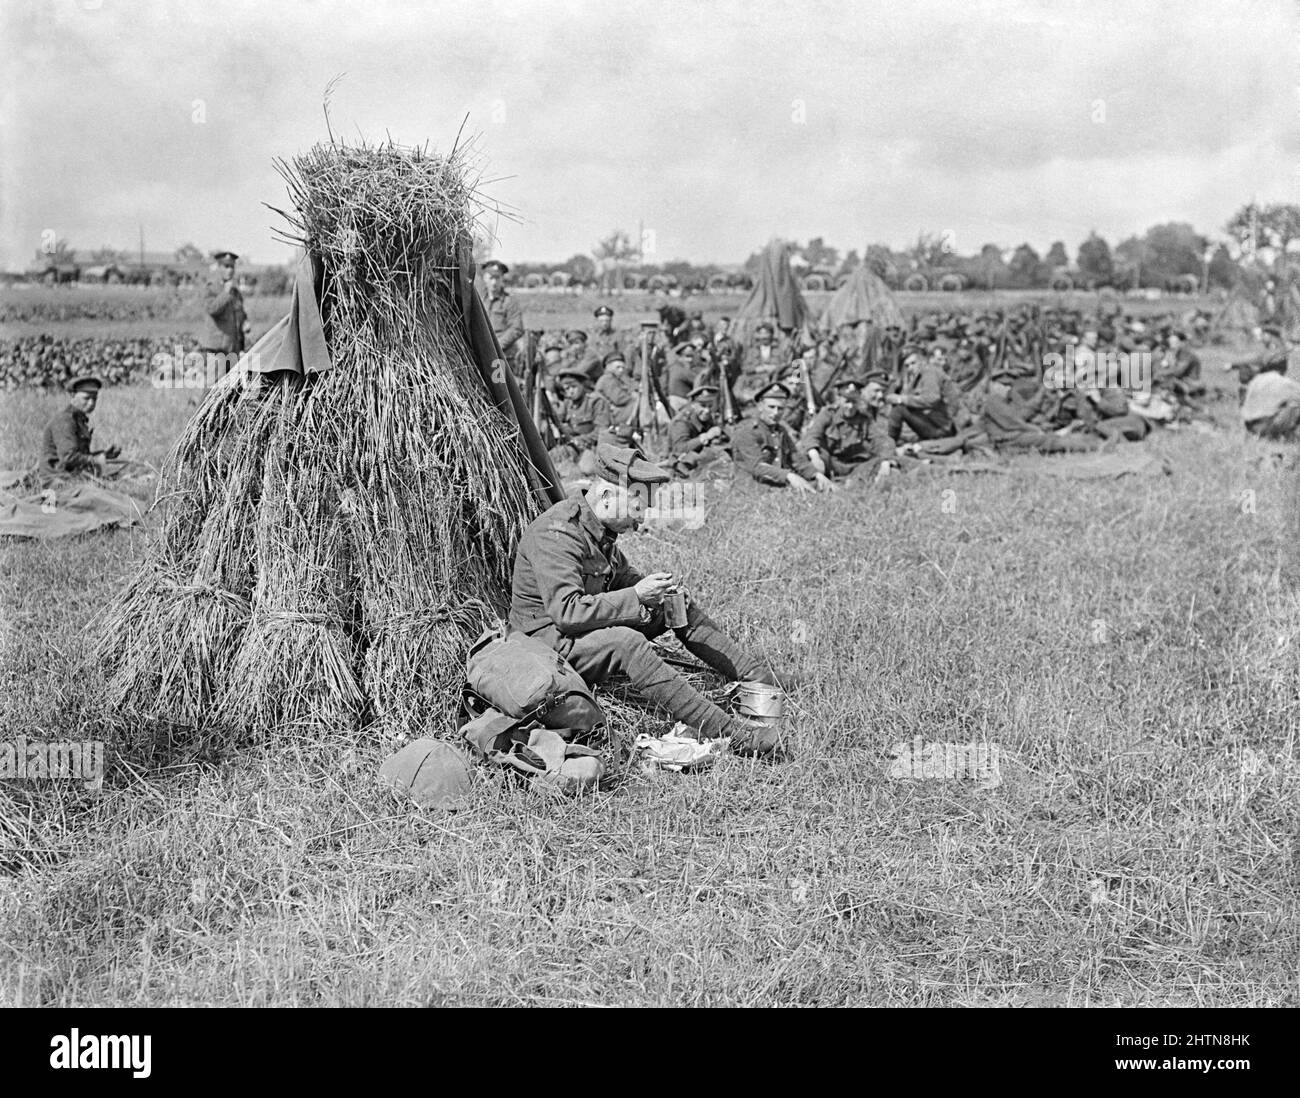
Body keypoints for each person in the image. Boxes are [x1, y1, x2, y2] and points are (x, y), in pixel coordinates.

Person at [509, 443, 797, 753]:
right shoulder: (557, 534)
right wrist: (635, 595)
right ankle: (736, 735)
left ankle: (757, 677)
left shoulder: (599, 532)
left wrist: (656, 590)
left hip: (576, 632)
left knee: (674, 603)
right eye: (637, 508)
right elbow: (567, 612)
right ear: (607, 496)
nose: (641, 520)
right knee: (626, 642)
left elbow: (620, 577)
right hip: (547, 646)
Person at [799, 374, 898, 484]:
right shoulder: (828, 414)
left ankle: (852, 481)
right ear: (840, 399)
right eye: (847, 402)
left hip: (854, 467)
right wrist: (815, 457)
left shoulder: (865, 419)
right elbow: (812, 435)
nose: (850, 407)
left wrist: (885, 460)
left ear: (859, 400)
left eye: (854, 402)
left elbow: (882, 440)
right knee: (809, 455)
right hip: (831, 463)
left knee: (880, 464)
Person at [729, 382, 827, 492]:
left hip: (776, 486)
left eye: (780, 408)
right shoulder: (746, 430)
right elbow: (756, 467)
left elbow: (797, 460)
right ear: (760, 406)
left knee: (822, 487)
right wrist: (789, 476)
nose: (776, 413)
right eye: (771, 407)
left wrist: (816, 474)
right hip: (751, 488)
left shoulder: (780, 431)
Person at [39, 375, 126, 481]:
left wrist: (104, 455)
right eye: (86, 398)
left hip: (72, 474)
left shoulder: (78, 420)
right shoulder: (64, 421)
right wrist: (96, 459)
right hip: (58, 479)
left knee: (127, 470)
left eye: (94, 398)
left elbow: (78, 456)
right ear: (72, 395)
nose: (91, 403)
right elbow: (68, 458)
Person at [885, 345, 957, 444]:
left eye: (913, 363)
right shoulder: (918, 377)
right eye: (907, 365)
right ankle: (890, 441)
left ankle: (889, 444)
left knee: (899, 408)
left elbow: (931, 399)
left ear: (922, 360)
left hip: (942, 428)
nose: (910, 368)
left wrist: (900, 399)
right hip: (936, 425)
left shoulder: (929, 372)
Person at [549, 368, 611, 468]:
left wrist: (579, 440)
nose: (571, 391)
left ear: (582, 385)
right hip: (573, 445)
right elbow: (557, 420)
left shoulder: (596, 401)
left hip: (592, 446)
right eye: (567, 389)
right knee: (551, 456)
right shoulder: (568, 403)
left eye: (573, 386)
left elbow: (601, 431)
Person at [200, 250, 247, 374]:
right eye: (226, 266)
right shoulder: (211, 288)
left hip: (233, 348)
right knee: (214, 389)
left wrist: (245, 323)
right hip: (217, 348)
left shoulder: (235, 292)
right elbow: (212, 309)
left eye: (232, 267)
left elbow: (240, 316)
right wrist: (225, 292)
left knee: (232, 389)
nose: (230, 270)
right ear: (219, 267)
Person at [667, 382, 729, 476]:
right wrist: (704, 437)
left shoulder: (705, 416)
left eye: (710, 406)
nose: (707, 410)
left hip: (696, 460)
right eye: (703, 406)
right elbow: (680, 449)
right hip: (676, 465)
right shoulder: (681, 422)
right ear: (693, 404)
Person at [482, 260, 525, 373]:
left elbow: (517, 328)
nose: (494, 282)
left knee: (499, 388)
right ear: (485, 279)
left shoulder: (509, 301)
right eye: (491, 278)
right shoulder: (480, 301)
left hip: (501, 356)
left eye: (497, 278)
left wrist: (497, 346)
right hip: (481, 353)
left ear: (502, 280)